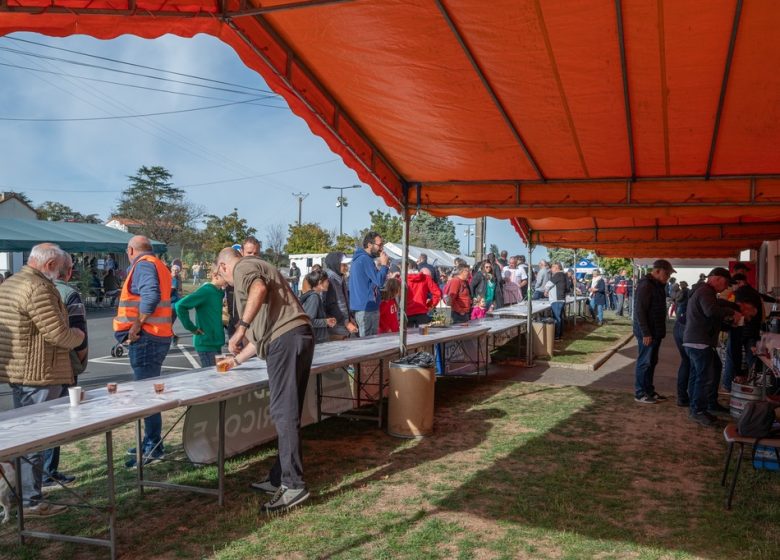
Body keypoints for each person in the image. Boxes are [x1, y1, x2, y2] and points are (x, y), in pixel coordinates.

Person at [216, 247, 314, 512]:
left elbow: (258, 289)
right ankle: (278, 477)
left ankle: (293, 485)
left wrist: (240, 328)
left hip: (287, 340)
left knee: (283, 412)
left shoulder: (243, 267)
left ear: (224, 267)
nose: (228, 284)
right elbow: (264, 334)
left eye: (222, 277)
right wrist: (236, 360)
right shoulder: (258, 267)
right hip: (296, 335)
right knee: (288, 411)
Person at [0, 243, 85, 517]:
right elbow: (57, 333)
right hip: (39, 372)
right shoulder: (38, 287)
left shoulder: (12, 283)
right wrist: (78, 336)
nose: (61, 275)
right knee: (35, 439)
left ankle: (20, 495)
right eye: (60, 269)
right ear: (49, 265)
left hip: (21, 370)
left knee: (24, 436)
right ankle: (31, 501)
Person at [114, 236, 173, 467]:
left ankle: (153, 447)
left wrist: (137, 325)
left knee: (147, 395)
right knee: (148, 392)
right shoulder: (158, 264)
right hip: (156, 335)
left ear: (130, 250)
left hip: (146, 337)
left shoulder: (143, 265)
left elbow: (151, 295)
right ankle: (150, 441)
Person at [43, 253, 89, 488]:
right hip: (63, 364)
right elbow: (80, 335)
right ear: (69, 271)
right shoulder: (69, 294)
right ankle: (47, 472)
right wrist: (79, 363)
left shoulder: (34, 291)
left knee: (36, 419)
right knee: (56, 419)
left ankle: (34, 475)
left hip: (35, 367)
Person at [683, 267, 741, 426]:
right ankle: (698, 410)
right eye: (726, 283)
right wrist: (732, 312)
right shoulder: (705, 291)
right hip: (699, 341)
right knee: (704, 376)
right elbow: (711, 311)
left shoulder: (705, 292)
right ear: (717, 278)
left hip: (696, 340)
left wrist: (731, 314)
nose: (727, 287)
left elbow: (712, 311)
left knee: (709, 370)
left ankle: (705, 404)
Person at [633, 260, 675, 404]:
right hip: (648, 332)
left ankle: (649, 391)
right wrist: (646, 333)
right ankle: (640, 393)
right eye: (667, 273)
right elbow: (640, 311)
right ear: (657, 271)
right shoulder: (646, 285)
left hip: (655, 331)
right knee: (645, 362)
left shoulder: (656, 285)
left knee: (651, 362)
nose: (668, 277)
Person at [174, 265, 227, 367]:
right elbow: (180, 305)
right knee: (211, 375)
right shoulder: (206, 291)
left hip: (216, 343)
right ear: (215, 276)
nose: (228, 279)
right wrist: (191, 327)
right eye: (225, 276)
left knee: (218, 374)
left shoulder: (219, 292)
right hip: (206, 343)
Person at [722, 273, 763, 393]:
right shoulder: (755, 293)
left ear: (740, 282)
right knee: (752, 359)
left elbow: (739, 313)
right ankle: (754, 386)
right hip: (753, 331)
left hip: (741, 329)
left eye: (733, 285)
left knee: (732, 355)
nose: (732, 287)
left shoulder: (738, 294)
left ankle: (729, 385)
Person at [349, 231, 390, 336]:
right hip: (366, 308)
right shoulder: (364, 259)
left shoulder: (363, 259)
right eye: (379, 245)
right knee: (368, 342)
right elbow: (379, 281)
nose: (381, 248)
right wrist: (384, 265)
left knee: (371, 341)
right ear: (369, 245)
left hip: (367, 307)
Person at [322, 252, 358, 339]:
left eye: (346, 264)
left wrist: (350, 317)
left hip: (343, 322)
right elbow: (332, 306)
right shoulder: (330, 280)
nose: (346, 267)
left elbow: (345, 301)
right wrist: (346, 323)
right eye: (343, 265)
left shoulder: (340, 278)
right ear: (335, 264)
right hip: (336, 325)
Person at [300, 270, 336, 343]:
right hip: (317, 341)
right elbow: (309, 321)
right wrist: (325, 322)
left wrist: (326, 321)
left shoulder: (314, 296)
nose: (328, 283)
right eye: (327, 281)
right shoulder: (314, 297)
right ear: (320, 283)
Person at [672, 281, 692, 407]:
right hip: (686, 329)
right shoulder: (688, 294)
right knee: (690, 363)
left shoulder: (686, 293)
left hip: (679, 326)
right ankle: (686, 397)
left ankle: (682, 396)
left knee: (686, 361)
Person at [545, 262, 569, 341]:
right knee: (560, 318)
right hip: (561, 299)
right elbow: (568, 288)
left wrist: (546, 290)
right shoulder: (564, 275)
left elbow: (548, 284)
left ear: (557, 268)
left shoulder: (558, 275)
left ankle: (557, 336)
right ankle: (560, 335)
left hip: (556, 300)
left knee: (557, 318)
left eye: (552, 267)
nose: (551, 269)